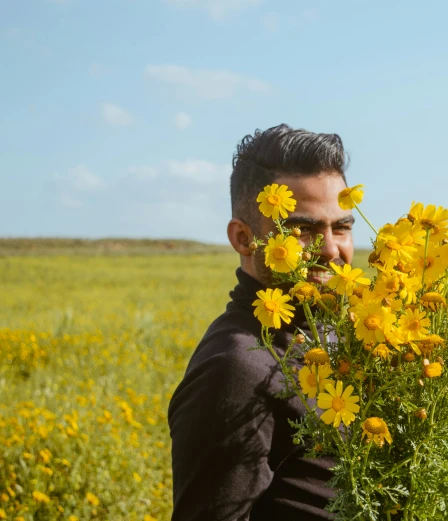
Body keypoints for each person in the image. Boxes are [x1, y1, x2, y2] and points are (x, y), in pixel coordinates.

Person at [168, 124, 355, 520]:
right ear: (243, 238)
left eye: (341, 226)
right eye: (303, 230)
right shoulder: (235, 368)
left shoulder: (334, 338)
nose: (331, 249)